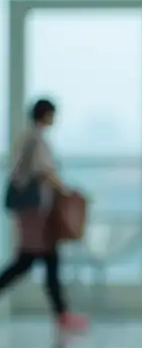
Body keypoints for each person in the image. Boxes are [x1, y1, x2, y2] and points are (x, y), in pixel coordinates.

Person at [0, 99, 87, 334]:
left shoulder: (28, 137)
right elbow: (44, 171)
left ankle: (62, 314)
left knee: (47, 259)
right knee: (28, 259)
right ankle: (62, 314)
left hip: (35, 211)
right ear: (46, 115)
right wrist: (65, 190)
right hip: (33, 211)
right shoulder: (35, 139)